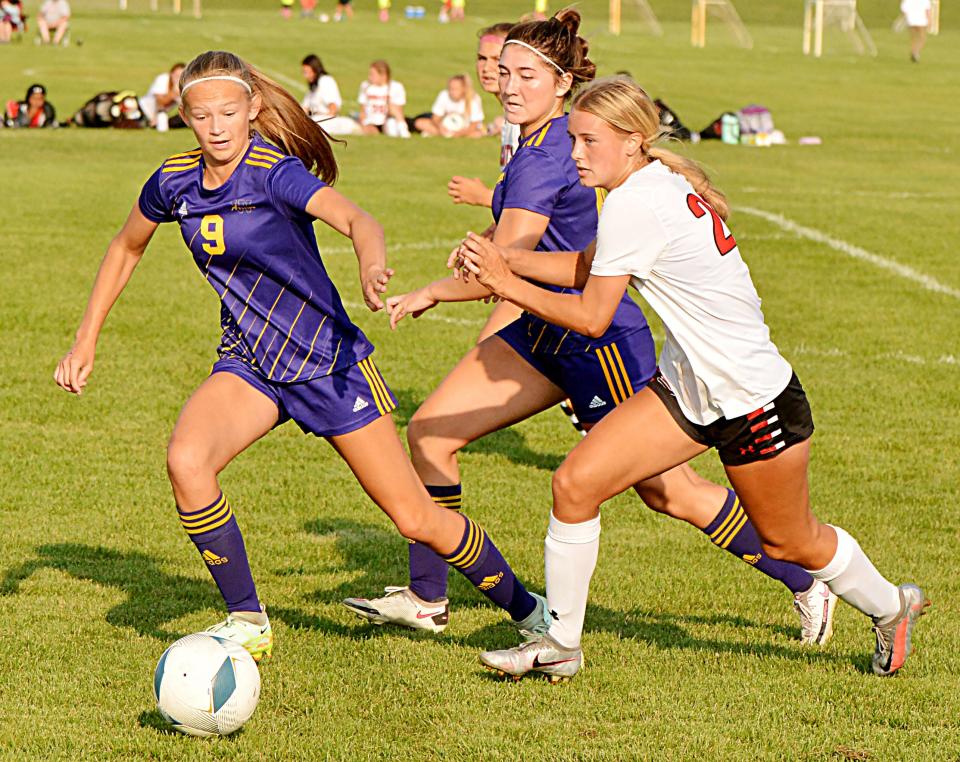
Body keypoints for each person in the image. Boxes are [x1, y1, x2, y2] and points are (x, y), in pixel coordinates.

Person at [342, 13, 836, 651]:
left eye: (526, 75)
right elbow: (521, 246)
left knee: (670, 492)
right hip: (539, 327)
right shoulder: (532, 142)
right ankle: (430, 597)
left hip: (591, 337)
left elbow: (507, 265)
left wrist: (439, 288)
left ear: (562, 82)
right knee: (432, 434)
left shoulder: (548, 155)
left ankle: (803, 580)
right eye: (503, 70)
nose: (507, 83)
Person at [53, 49, 552, 663]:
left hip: (327, 363)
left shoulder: (272, 172)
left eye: (229, 113)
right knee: (187, 460)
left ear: (252, 109)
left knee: (415, 517)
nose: (216, 127)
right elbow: (126, 247)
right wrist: (85, 339)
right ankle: (246, 620)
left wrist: (371, 264)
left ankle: (530, 612)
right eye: (203, 115)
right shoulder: (172, 182)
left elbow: (356, 218)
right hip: (251, 363)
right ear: (184, 115)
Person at [458, 75, 929, 681]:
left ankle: (893, 606)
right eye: (572, 138)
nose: (575, 152)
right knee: (575, 484)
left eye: (588, 140)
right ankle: (562, 643)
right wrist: (506, 255)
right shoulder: (648, 183)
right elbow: (590, 265)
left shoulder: (637, 199)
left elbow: (593, 315)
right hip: (689, 391)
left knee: (791, 543)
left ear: (631, 141)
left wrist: (503, 283)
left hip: (754, 401)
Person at [447, 21, 523, 343]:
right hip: (532, 254)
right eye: (482, 59)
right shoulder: (509, 120)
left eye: (498, 60)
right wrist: (494, 238)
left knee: (491, 354)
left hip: (554, 262)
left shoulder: (527, 121)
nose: (488, 68)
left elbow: (540, 198)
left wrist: (483, 197)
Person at [300, 54, 360, 134]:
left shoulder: (326, 81)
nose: (305, 76)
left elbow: (333, 109)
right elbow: (304, 108)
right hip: (316, 118)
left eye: (306, 72)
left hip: (327, 120)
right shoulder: (313, 86)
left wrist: (317, 113)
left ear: (314, 70)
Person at [412, 75, 484, 138]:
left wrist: (460, 133)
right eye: (450, 88)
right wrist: (441, 127)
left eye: (455, 89)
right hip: (445, 126)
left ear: (464, 89)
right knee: (419, 123)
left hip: (465, 128)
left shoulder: (474, 99)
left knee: (477, 134)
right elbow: (436, 117)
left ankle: (438, 135)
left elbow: (475, 123)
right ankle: (445, 135)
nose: (451, 92)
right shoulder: (444, 95)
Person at [358, 60, 408, 137]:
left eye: (372, 74)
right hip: (371, 122)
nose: (369, 77)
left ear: (383, 75)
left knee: (392, 129)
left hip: (388, 119)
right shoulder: (365, 86)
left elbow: (399, 111)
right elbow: (362, 111)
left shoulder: (396, 87)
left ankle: (403, 130)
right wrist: (363, 124)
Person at [139, 63, 185, 128]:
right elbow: (160, 102)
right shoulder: (163, 79)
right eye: (176, 75)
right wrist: (174, 93)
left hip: (157, 116)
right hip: (142, 110)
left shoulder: (182, 88)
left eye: (181, 76)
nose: (177, 79)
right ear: (171, 74)